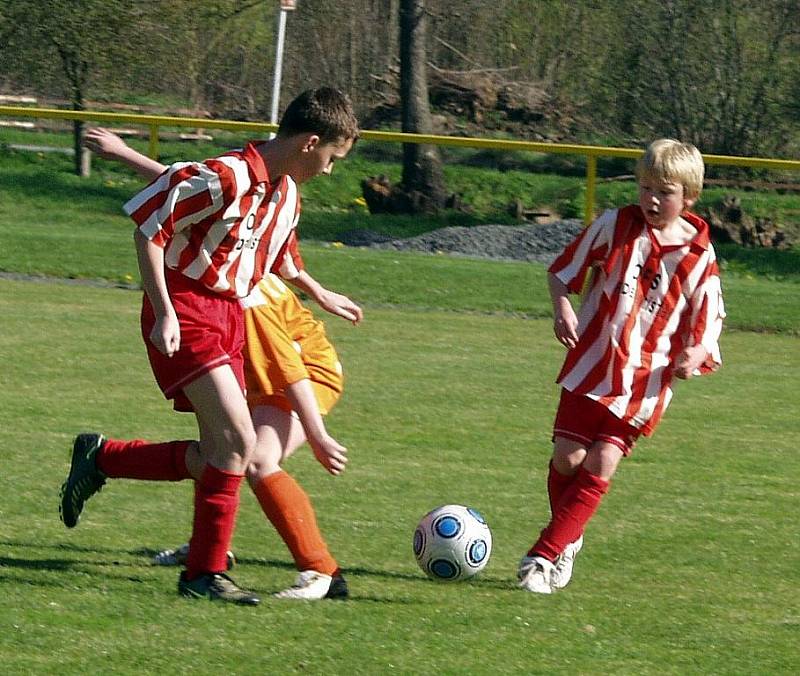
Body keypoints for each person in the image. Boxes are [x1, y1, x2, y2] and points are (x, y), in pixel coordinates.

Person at [59, 87, 361, 605]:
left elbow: (279, 256)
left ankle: (104, 459)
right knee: (238, 441)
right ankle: (204, 573)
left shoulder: (285, 193)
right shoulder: (228, 174)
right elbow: (151, 228)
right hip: (187, 305)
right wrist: (165, 309)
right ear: (311, 143)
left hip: (226, 315)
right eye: (333, 157)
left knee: (222, 455)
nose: (331, 170)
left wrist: (318, 292)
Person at [518, 138, 725, 594]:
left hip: (644, 382)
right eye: (645, 186)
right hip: (589, 366)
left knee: (603, 459)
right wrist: (562, 308)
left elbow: (709, 320)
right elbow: (561, 271)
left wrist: (695, 352)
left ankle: (544, 553)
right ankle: (569, 533)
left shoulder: (699, 257)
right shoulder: (614, 226)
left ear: (688, 197)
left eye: (664, 191)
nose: (651, 199)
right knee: (568, 459)